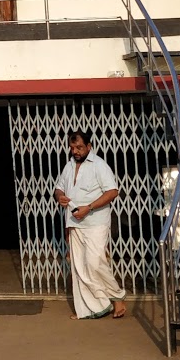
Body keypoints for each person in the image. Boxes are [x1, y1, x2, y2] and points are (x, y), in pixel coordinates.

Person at [53, 130, 126, 320]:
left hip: (95, 222)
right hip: (74, 222)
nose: (75, 151)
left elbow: (112, 192)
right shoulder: (69, 166)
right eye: (72, 148)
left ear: (88, 146)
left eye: (79, 147)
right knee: (80, 267)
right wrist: (60, 196)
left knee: (95, 262)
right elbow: (58, 188)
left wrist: (89, 207)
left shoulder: (99, 165)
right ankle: (91, 308)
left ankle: (117, 296)